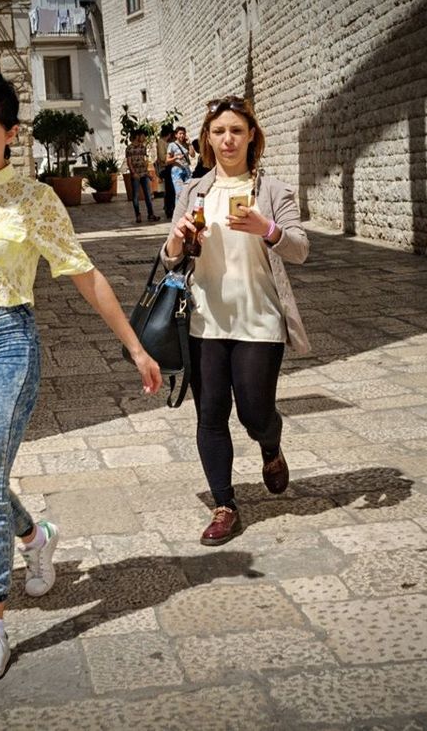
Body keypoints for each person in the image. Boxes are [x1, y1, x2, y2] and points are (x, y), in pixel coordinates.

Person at [0, 63, 162, 686]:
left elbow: (85, 275)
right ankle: (36, 537)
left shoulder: (36, 200)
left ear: (11, 133)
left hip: (5, 345)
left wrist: (136, 349)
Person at [160, 95, 310, 546]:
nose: (228, 139)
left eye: (236, 131)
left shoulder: (273, 190)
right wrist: (177, 238)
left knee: (254, 410)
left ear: (251, 137)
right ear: (207, 138)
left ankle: (270, 444)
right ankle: (225, 505)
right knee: (210, 415)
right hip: (204, 321)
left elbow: (300, 249)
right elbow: (168, 259)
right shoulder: (192, 190)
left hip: (259, 319)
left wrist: (267, 229)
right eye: (219, 131)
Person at [125, 131, 159, 223]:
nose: (144, 138)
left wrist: (148, 174)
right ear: (137, 136)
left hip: (144, 174)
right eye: (143, 136)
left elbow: (144, 161)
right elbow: (129, 162)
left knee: (148, 195)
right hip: (135, 175)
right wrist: (133, 173)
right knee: (135, 196)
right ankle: (138, 215)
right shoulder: (129, 148)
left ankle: (151, 214)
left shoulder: (143, 148)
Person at [166, 125, 192, 206]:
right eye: (180, 133)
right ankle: (178, 214)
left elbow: (193, 155)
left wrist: (190, 144)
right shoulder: (172, 145)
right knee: (179, 193)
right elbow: (167, 161)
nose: (182, 135)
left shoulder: (186, 144)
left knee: (188, 192)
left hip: (187, 170)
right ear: (176, 135)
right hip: (177, 171)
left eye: (183, 133)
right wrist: (176, 157)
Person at [157, 123, 176, 219]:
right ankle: (169, 209)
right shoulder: (161, 142)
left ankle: (170, 208)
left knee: (170, 190)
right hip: (166, 168)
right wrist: (172, 157)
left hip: (170, 167)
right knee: (169, 190)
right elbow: (162, 156)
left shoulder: (167, 143)